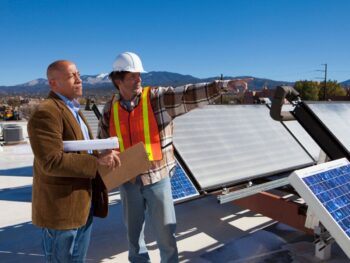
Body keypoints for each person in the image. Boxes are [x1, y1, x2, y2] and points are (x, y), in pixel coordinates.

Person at [97, 52, 249, 263]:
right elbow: (103, 144)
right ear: (118, 80)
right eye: (133, 76)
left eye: (139, 75)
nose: (139, 79)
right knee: (133, 237)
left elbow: (188, 94)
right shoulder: (108, 109)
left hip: (157, 179)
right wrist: (106, 156)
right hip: (128, 182)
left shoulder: (157, 98)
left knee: (166, 235)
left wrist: (223, 85)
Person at [28, 60, 120, 262]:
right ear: (54, 83)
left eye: (78, 74)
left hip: (82, 205)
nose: (79, 79)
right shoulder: (46, 112)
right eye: (72, 76)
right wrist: (97, 163)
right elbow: (51, 161)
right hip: (61, 210)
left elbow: (82, 151)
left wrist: (104, 156)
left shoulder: (74, 111)